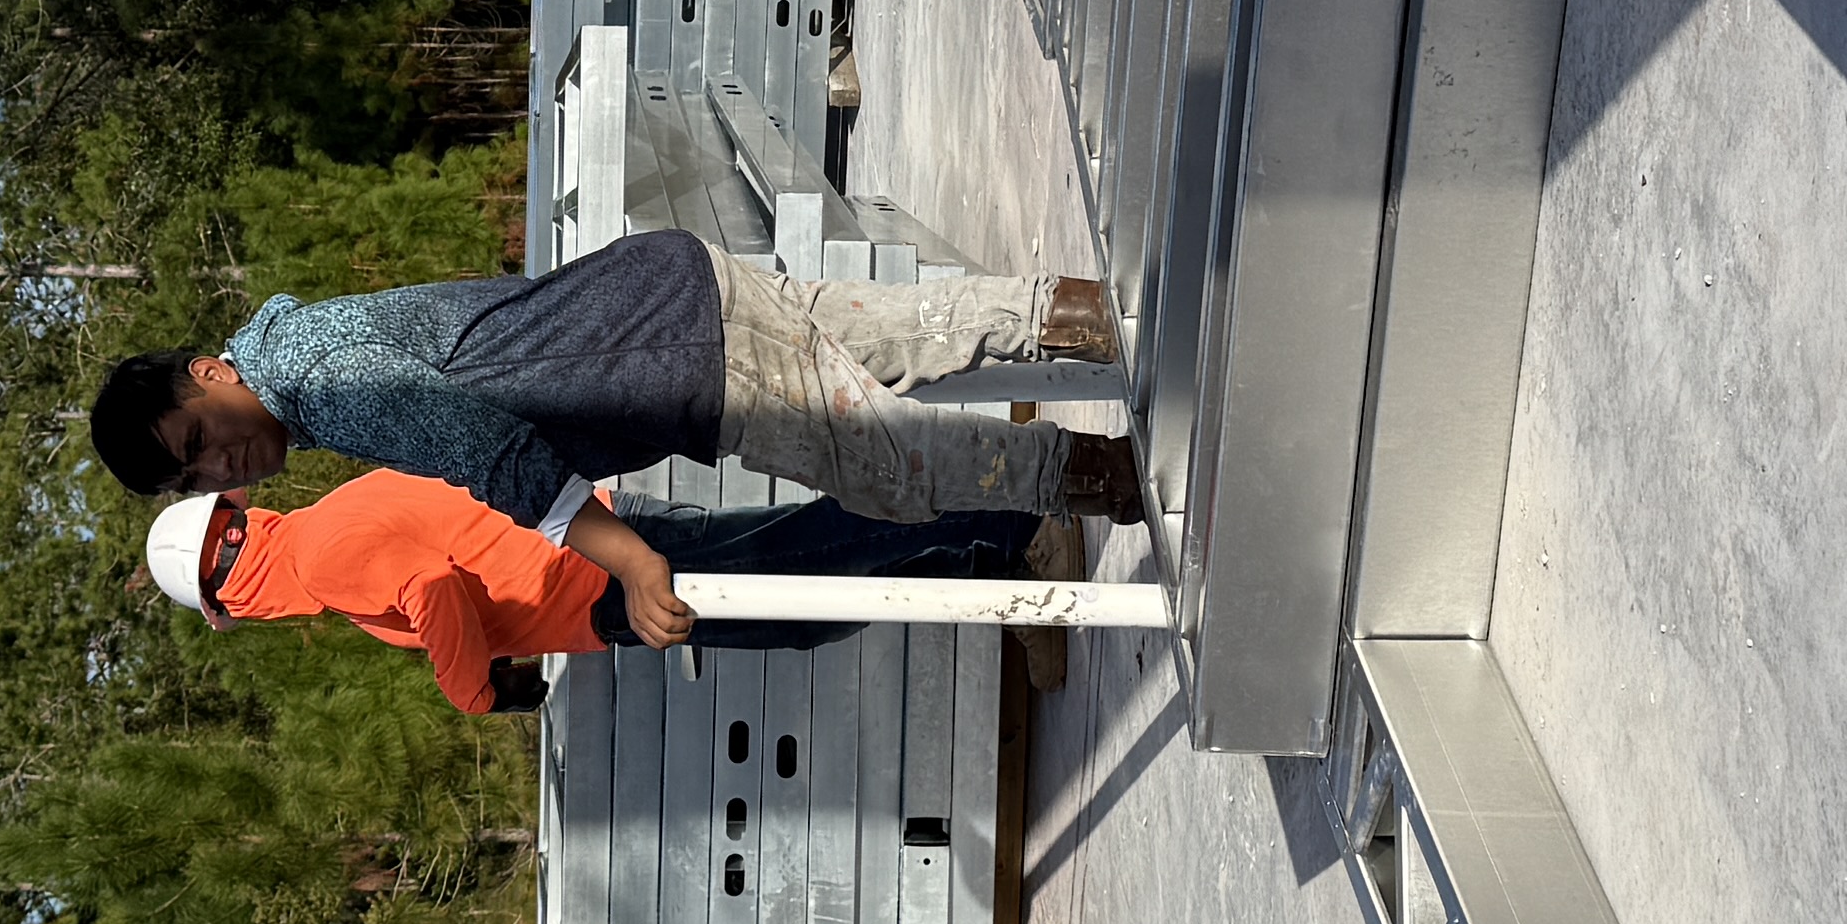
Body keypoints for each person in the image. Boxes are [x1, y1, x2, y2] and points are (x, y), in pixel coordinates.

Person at [85, 235, 1140, 536]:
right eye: (199, 480)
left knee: (889, 469)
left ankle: (1100, 477)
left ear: (206, 374)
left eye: (196, 442)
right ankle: (1093, 315)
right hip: (669, 300)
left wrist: (626, 562)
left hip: (677, 362)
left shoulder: (318, 383)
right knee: (892, 333)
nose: (222, 467)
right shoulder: (300, 356)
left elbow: (487, 452)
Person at [138, 466, 1063, 714]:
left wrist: (477, 689)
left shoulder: (314, 563)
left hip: (605, 569)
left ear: (228, 603)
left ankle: (1013, 533)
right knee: (803, 602)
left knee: (810, 562)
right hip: (597, 573)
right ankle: (995, 564)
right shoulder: (322, 524)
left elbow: (432, 587)